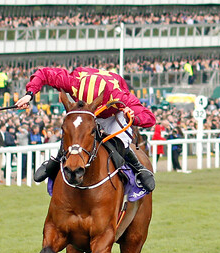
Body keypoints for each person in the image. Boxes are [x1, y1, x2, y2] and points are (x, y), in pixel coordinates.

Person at [15, 66, 156, 192]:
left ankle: (138, 168)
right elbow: (44, 73)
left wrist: (132, 116)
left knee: (121, 140)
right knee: (74, 131)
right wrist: (30, 94)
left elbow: (149, 118)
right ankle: (57, 159)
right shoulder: (73, 82)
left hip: (110, 115)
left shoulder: (118, 95)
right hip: (84, 114)